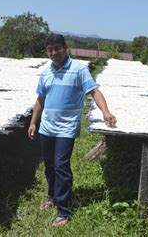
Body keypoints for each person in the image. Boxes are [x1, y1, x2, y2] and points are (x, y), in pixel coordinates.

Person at [28, 34, 116, 227]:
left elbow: (94, 91)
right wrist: (34, 121)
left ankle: (63, 210)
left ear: (65, 48)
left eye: (57, 48)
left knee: (61, 166)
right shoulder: (45, 73)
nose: (54, 53)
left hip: (66, 128)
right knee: (49, 165)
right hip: (46, 127)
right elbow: (40, 99)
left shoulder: (78, 70)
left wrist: (105, 111)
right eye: (50, 49)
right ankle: (52, 196)